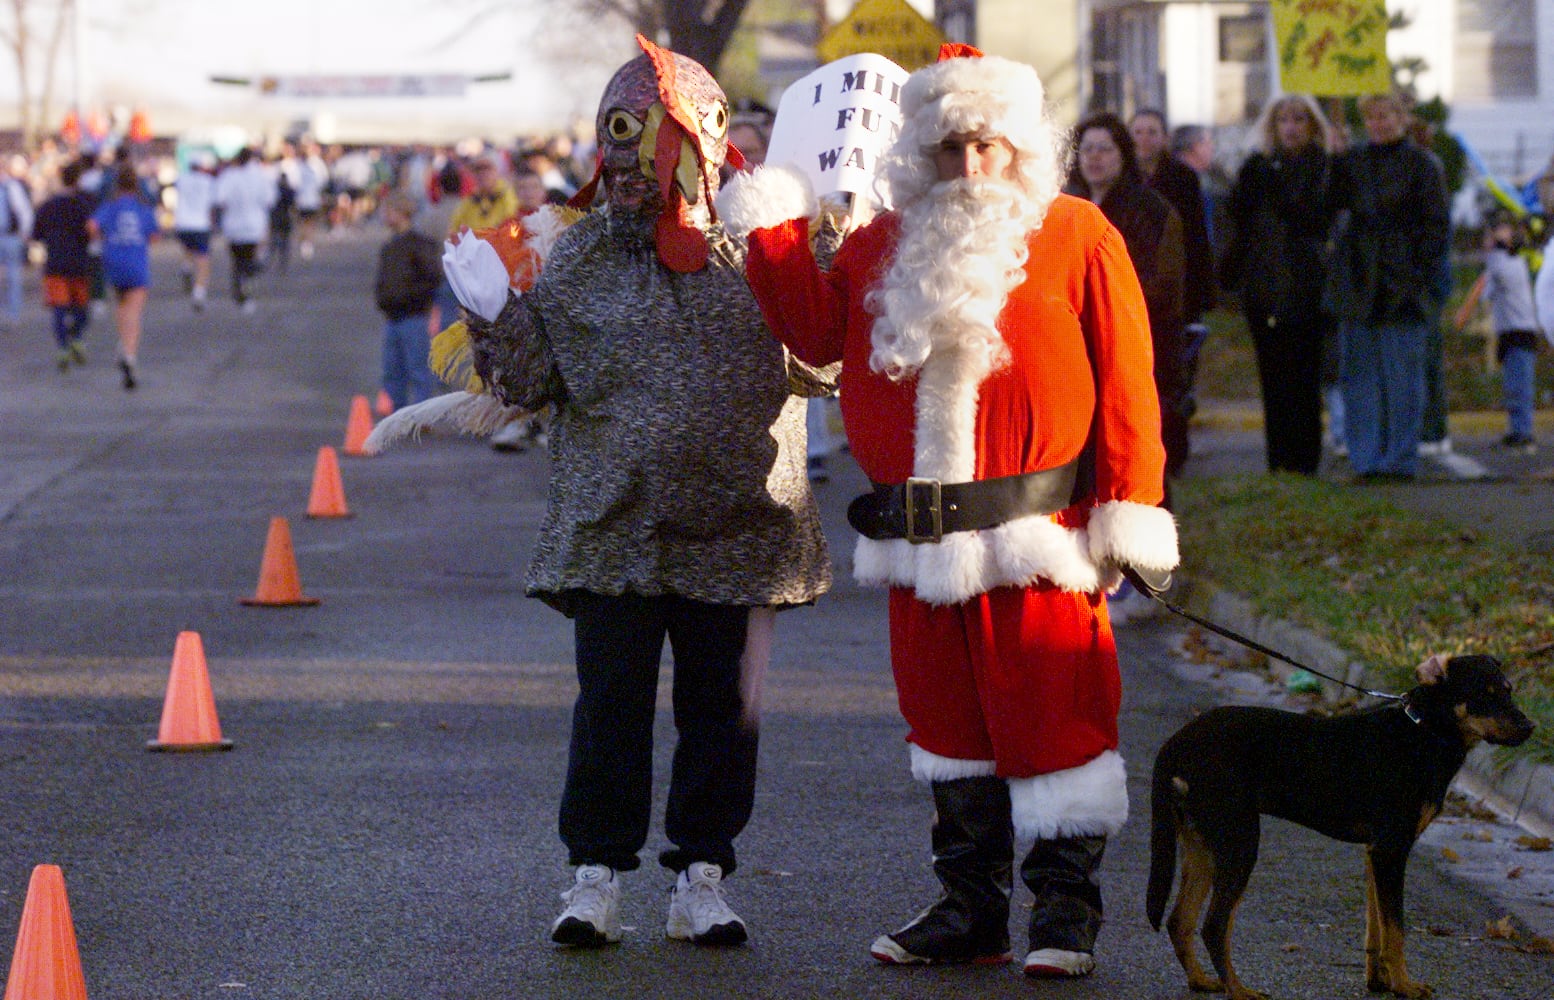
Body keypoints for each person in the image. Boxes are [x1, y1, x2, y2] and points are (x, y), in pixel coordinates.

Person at [723, 47, 1176, 978]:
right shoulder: (879, 244)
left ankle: (1064, 911)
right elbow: (814, 334)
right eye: (948, 150)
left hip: (1039, 539)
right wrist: (772, 232)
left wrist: (1129, 509)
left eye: (987, 147)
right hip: (919, 546)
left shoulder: (1078, 233)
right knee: (947, 730)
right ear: (916, 155)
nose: (969, 169)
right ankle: (972, 908)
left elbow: (1132, 383)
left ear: (1018, 147)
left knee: (1056, 719)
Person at [439, 36, 832, 949]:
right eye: (615, 147)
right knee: (609, 708)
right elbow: (530, 387)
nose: (627, 170)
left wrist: (830, 268)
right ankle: (596, 877)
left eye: (647, 147)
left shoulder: (759, 253)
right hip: (614, 530)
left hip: (738, 528)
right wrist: (493, 315)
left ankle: (702, 876)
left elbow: (823, 367)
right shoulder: (577, 261)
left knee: (721, 715)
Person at [1323, 92, 1451, 482]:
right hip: (1360, 282)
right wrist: (1335, 159)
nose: (1379, 124)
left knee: (1402, 380)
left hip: (1403, 284)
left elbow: (1435, 227)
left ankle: (1399, 458)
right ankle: (1366, 458)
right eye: (1373, 117)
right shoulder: (1353, 162)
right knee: (1359, 378)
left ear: (1402, 117)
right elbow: (1329, 205)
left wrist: (1420, 280)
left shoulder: (1423, 165)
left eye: (1386, 116)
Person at [1065, 113, 1188, 485]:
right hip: (1075, 350)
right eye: (1087, 149)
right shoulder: (1065, 209)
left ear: (1123, 154)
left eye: (1104, 148)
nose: (1094, 158)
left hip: (1135, 342)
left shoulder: (1152, 210)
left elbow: (1163, 285)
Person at [1224, 94, 1339, 475]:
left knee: (1305, 380)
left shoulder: (1323, 168)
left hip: (1307, 288)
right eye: (1284, 120)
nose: (1291, 128)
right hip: (1265, 287)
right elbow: (1238, 225)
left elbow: (1316, 218)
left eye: (1299, 120)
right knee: (1273, 380)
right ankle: (1279, 462)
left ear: (1312, 126)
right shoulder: (1255, 169)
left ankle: (1305, 462)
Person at [1131, 108, 1216, 458]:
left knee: (1175, 373)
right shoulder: (1125, 178)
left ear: (1164, 137)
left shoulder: (1182, 177)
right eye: (1139, 132)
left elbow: (1197, 237)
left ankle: (1175, 449)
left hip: (1176, 289)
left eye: (1152, 131)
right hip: (1137, 289)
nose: (1146, 139)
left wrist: (1201, 292)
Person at [1455, 211, 1541, 452]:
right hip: (1509, 332)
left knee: (1520, 386)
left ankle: (1524, 433)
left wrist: (1497, 242)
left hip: (1520, 332)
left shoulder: (1509, 263)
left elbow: (1493, 273)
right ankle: (1517, 431)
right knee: (1513, 385)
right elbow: (1485, 291)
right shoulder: (1501, 263)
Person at [88, 164, 160, 390]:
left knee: (121, 304)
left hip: (114, 258)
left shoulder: (110, 206)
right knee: (135, 311)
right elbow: (155, 235)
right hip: (136, 261)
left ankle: (122, 343)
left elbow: (91, 225)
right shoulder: (143, 208)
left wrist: (104, 238)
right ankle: (129, 354)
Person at [372, 192, 442, 410]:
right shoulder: (390, 246)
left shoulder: (418, 245)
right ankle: (398, 412)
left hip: (413, 316)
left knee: (417, 368)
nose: (384, 216)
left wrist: (414, 299)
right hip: (393, 316)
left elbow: (432, 277)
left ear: (402, 214)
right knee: (392, 370)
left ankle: (421, 414)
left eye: (389, 211)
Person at [32, 158, 95, 370]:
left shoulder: (48, 206)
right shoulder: (86, 204)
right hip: (80, 262)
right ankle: (76, 336)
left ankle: (62, 347)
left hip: (55, 262)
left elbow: (36, 234)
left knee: (58, 308)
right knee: (82, 307)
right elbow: (92, 232)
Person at [214, 147, 277, 314]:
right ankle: (245, 288)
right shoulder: (261, 176)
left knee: (237, 262)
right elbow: (270, 200)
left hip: (233, 226)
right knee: (249, 260)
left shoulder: (229, 176)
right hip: (255, 226)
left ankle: (240, 293)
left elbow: (220, 199)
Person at [171, 152, 217, 310]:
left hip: (182, 223)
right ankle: (199, 293)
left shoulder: (181, 179)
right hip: (200, 224)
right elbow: (213, 204)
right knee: (203, 260)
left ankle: (186, 268)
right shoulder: (208, 181)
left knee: (188, 250)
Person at [0, 155, 34, 324]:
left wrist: (24, 232)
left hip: (10, 236)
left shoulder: (11, 187)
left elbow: (24, 211)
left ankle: (13, 314)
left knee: (13, 276)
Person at [447, 154, 518, 235]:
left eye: (487, 168)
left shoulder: (510, 196)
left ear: (497, 170)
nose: (483, 174)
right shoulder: (468, 201)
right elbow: (454, 231)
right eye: (478, 170)